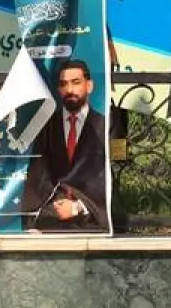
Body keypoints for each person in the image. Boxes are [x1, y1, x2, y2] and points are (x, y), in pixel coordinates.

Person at [22, 59, 109, 232]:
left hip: (93, 219)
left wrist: (78, 207)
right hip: (50, 218)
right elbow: (39, 174)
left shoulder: (106, 126)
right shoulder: (46, 126)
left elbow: (107, 177)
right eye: (63, 84)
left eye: (76, 83)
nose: (69, 90)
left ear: (89, 86)